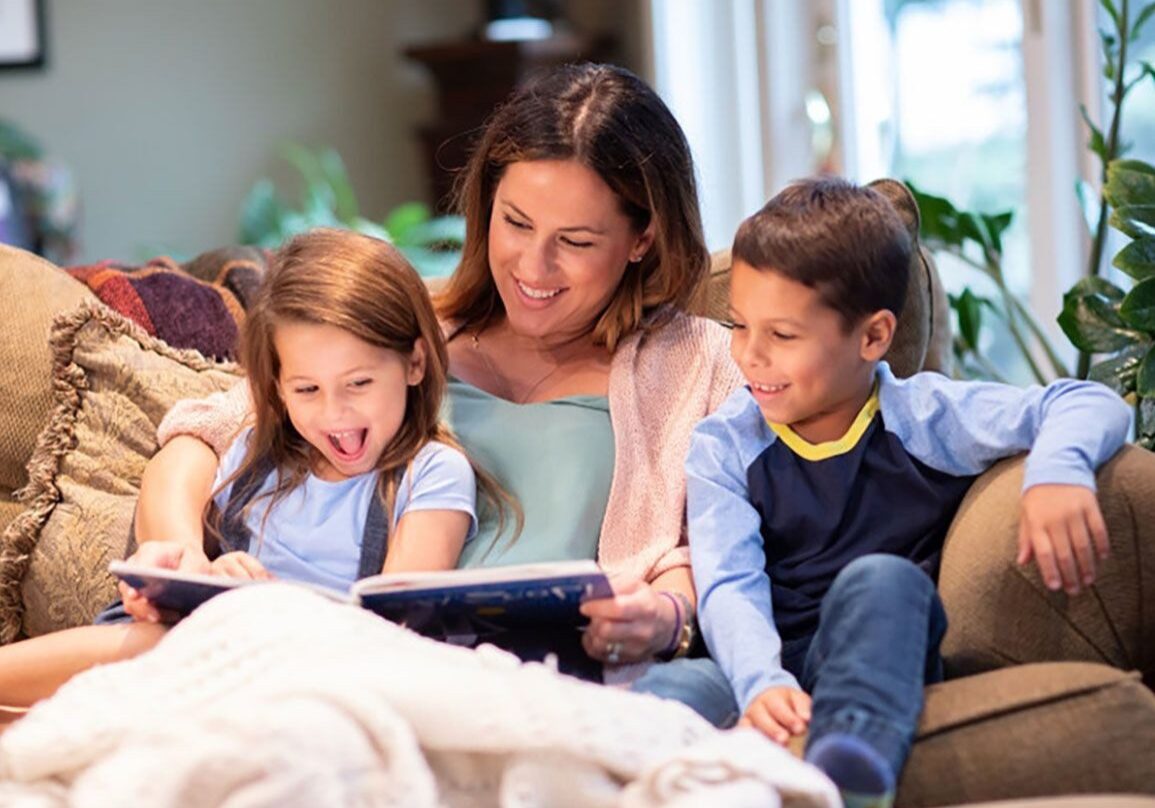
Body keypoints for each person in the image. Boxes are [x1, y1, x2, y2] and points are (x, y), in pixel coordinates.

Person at [129, 63, 743, 722]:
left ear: (642, 237)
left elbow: (721, 541)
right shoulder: (411, 326)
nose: (533, 267)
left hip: (559, 686)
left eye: (575, 241)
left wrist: (667, 617)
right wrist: (179, 563)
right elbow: (201, 437)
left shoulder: (695, 362)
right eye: (515, 223)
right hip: (374, 671)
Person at [686, 176, 1132, 806]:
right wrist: (760, 683)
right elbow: (728, 582)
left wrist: (1059, 471)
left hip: (879, 653)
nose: (749, 356)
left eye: (782, 336)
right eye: (738, 326)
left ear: (872, 337)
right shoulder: (725, 444)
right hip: (759, 664)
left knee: (885, 580)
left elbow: (1085, 399)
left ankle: (849, 772)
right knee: (671, 691)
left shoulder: (924, 416)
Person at [0, 228, 485, 711]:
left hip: (321, 671)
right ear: (275, 386)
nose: (334, 412)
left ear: (415, 362)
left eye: (358, 383)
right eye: (306, 390)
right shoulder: (256, 454)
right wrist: (204, 576)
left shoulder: (434, 472)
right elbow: (189, 565)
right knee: (153, 637)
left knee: (165, 647)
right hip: (208, 652)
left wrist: (266, 607)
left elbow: (398, 626)